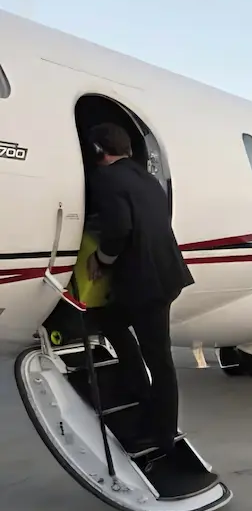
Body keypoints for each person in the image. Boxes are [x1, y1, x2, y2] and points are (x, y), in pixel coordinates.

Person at [85, 122, 194, 459]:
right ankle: (140, 392)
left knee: (159, 360)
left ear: (99, 151)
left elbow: (119, 228)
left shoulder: (107, 179)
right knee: (113, 322)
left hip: (146, 284)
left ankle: (160, 436)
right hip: (165, 275)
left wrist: (100, 259)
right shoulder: (146, 178)